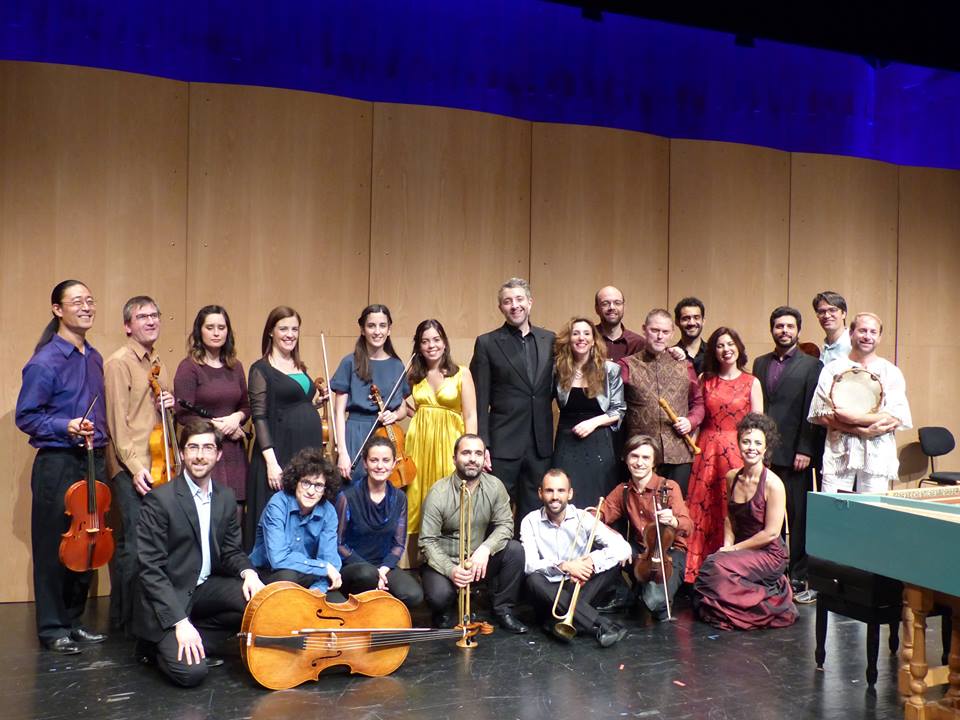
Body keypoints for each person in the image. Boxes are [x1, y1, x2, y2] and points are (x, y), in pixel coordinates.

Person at [15, 280, 109, 654]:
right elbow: (26, 416)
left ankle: (74, 620)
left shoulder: (95, 357)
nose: (86, 307)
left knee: (88, 541)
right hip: (58, 462)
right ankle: (52, 627)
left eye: (90, 300)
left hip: (92, 460)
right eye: (76, 302)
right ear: (57, 309)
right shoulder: (45, 361)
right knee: (54, 546)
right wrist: (63, 426)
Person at [134, 421, 265, 687]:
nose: (199, 455)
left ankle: (197, 636)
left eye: (207, 447)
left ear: (218, 454)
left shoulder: (225, 497)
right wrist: (180, 622)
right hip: (170, 596)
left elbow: (230, 550)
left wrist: (249, 572)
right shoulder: (160, 500)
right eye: (193, 447)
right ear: (182, 453)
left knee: (258, 603)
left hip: (202, 590)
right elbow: (151, 571)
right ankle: (154, 646)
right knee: (192, 673)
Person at [104, 294, 176, 634]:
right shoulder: (119, 362)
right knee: (134, 545)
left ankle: (141, 617)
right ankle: (125, 623)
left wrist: (170, 401)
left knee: (149, 544)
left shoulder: (156, 361)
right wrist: (135, 469)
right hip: (131, 467)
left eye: (155, 315)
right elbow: (117, 424)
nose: (151, 321)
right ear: (127, 325)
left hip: (157, 464)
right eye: (142, 316)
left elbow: (155, 416)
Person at [695, 413, 798, 631]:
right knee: (711, 567)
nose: (752, 447)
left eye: (758, 443)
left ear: (765, 448)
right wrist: (726, 546)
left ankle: (771, 599)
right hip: (743, 550)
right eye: (746, 441)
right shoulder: (733, 477)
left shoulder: (773, 484)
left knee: (714, 567)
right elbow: (730, 518)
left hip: (770, 553)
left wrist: (733, 549)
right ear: (739, 444)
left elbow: (771, 534)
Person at [418, 434, 527, 633]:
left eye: (478, 453)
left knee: (515, 550)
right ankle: (445, 609)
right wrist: (451, 570)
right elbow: (427, 541)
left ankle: (503, 609)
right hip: (445, 563)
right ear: (454, 459)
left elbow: (505, 525)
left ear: (484, 458)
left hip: (477, 561)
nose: (472, 458)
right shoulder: (438, 492)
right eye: (466, 453)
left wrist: (486, 549)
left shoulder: (495, 486)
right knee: (439, 596)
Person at [752, 306, 822, 603]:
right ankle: (773, 570)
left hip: (796, 454)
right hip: (766, 453)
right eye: (779, 326)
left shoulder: (811, 365)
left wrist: (805, 449)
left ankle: (799, 573)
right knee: (770, 518)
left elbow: (812, 411)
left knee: (798, 516)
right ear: (772, 329)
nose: (784, 331)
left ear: (798, 330)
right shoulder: (760, 363)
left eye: (789, 326)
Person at [471, 278, 555, 519]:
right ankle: (499, 557)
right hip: (503, 442)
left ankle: (525, 557)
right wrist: (483, 443)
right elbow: (481, 397)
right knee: (497, 510)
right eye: (507, 302)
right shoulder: (487, 343)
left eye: (519, 299)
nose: (514, 305)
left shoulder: (549, 340)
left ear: (530, 302)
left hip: (540, 444)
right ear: (501, 308)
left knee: (534, 512)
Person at [684, 327, 762, 582]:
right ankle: (697, 572)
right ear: (713, 351)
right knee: (703, 510)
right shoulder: (705, 378)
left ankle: (734, 570)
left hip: (739, 451)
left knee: (733, 508)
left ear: (738, 347)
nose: (726, 349)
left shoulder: (752, 382)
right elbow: (697, 414)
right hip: (707, 450)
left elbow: (759, 425)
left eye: (730, 344)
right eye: (719, 345)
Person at [245, 306, 325, 550]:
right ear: (271, 332)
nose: (290, 334)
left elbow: (295, 404)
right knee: (278, 513)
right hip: (280, 451)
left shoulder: (299, 365)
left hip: (305, 450)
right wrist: (271, 462)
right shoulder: (261, 369)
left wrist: (316, 404)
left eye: (294, 329)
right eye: (283, 329)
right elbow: (259, 417)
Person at [520, 469, 630, 646]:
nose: (555, 496)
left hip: (578, 584)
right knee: (533, 580)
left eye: (561, 491)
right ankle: (602, 624)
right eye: (549, 491)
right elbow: (529, 565)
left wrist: (591, 562)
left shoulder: (583, 517)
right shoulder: (530, 521)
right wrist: (564, 566)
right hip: (548, 591)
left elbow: (623, 547)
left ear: (570, 494)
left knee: (613, 564)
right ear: (540, 493)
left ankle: (557, 622)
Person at [808, 312, 912, 493]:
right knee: (834, 509)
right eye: (862, 331)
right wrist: (860, 430)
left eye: (873, 332)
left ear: (879, 337)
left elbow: (895, 416)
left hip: (877, 453)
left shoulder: (891, 371)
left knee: (873, 512)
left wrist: (853, 418)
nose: (867, 336)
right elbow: (822, 414)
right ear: (851, 334)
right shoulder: (832, 369)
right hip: (839, 451)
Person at [604, 435, 692, 621]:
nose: (639, 463)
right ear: (626, 459)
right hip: (641, 552)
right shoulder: (624, 490)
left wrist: (673, 521)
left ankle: (644, 593)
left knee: (654, 601)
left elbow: (688, 526)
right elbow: (601, 514)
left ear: (654, 462)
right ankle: (625, 594)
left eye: (646, 458)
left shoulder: (668, 487)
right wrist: (614, 537)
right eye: (634, 456)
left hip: (669, 553)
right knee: (605, 548)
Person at [174, 305, 250, 520]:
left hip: (233, 451)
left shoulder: (235, 367)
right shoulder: (189, 367)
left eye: (221, 327)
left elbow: (246, 406)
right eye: (210, 327)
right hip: (204, 450)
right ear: (200, 331)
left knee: (235, 517)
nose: (216, 333)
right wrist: (218, 427)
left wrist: (236, 418)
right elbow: (183, 413)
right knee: (207, 517)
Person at [618, 308, 704, 496]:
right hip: (640, 455)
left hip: (679, 453)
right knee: (641, 513)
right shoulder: (626, 365)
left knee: (674, 512)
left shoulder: (685, 365)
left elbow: (698, 403)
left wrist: (691, 421)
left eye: (665, 332)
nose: (659, 336)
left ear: (672, 333)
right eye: (654, 330)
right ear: (644, 329)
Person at [404, 319, 477, 536]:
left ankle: (447, 549)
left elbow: (471, 414)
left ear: (444, 342)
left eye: (436, 339)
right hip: (419, 444)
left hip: (450, 444)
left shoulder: (461, 373)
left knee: (449, 494)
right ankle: (412, 559)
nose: (431, 345)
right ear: (418, 346)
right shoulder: (414, 376)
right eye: (425, 341)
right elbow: (407, 407)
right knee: (416, 493)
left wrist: (471, 450)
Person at [336, 437, 424, 608]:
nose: (380, 466)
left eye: (386, 460)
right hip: (354, 567)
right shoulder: (347, 497)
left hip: (383, 567)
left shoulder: (399, 498)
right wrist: (373, 572)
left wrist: (383, 570)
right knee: (367, 575)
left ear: (393, 464)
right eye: (374, 460)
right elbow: (338, 544)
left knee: (414, 595)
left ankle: (381, 612)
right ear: (365, 463)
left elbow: (398, 544)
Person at [331, 304, 410, 484]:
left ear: (389, 329)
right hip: (355, 433)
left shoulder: (397, 365)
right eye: (371, 326)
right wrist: (342, 451)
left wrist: (395, 415)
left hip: (386, 433)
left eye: (382, 326)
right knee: (352, 489)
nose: (377, 331)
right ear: (362, 329)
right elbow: (339, 412)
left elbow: (404, 407)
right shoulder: (349, 362)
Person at [248, 446, 343, 593]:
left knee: (336, 601)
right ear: (296, 482)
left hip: (308, 575)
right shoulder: (278, 504)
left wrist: (318, 590)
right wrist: (322, 567)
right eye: (306, 483)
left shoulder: (328, 511)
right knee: (289, 576)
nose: (311, 491)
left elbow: (330, 560)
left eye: (318, 486)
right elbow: (278, 558)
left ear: (325, 489)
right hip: (269, 573)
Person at [551, 317, 625, 503]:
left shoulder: (610, 370)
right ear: (569, 339)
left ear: (594, 340)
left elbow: (619, 410)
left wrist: (593, 423)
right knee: (566, 494)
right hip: (566, 441)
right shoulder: (558, 369)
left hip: (599, 441)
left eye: (586, 333)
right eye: (575, 333)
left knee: (598, 495)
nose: (581, 338)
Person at [594, 286, 645, 362]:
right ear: (597, 309)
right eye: (605, 303)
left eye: (617, 303)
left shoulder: (638, 344)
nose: (612, 307)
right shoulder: (586, 339)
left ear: (624, 307)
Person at [813, 291, 851, 367]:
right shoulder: (823, 348)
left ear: (844, 314)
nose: (826, 315)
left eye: (832, 310)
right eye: (821, 311)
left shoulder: (853, 345)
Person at [674, 297, 707, 374]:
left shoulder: (714, 354)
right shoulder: (670, 356)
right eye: (686, 318)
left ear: (703, 321)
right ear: (677, 322)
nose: (692, 323)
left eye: (696, 317)